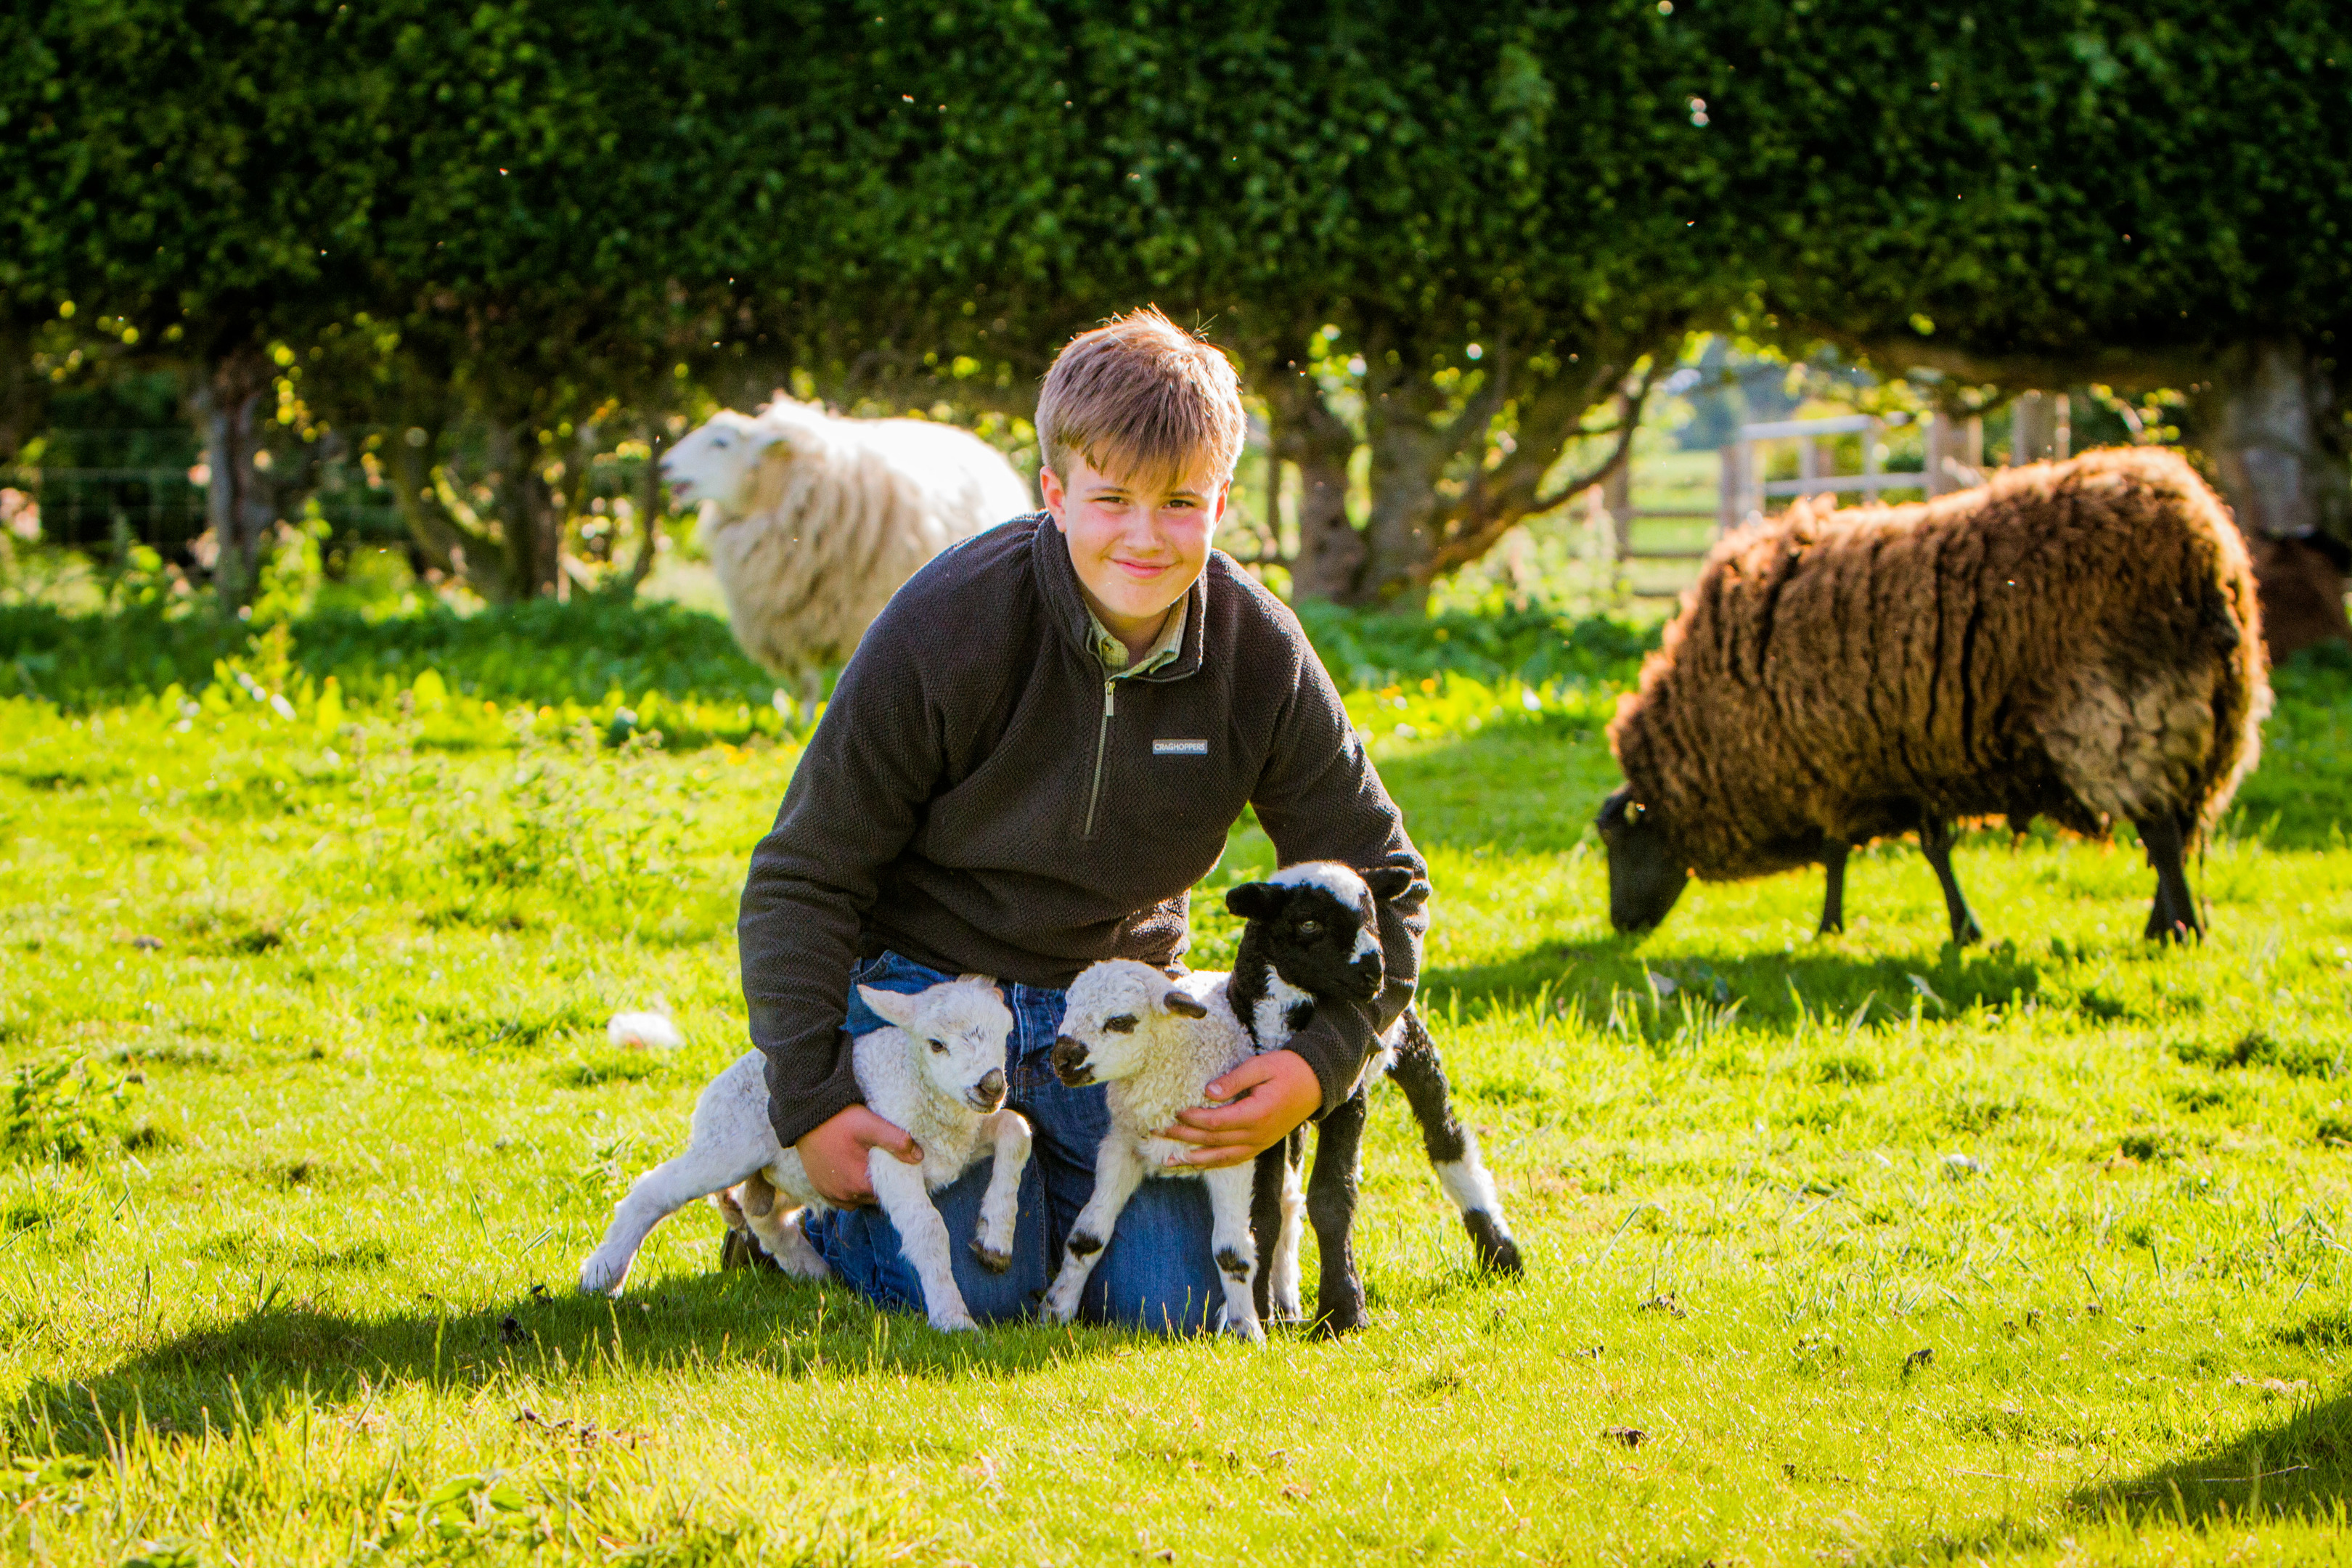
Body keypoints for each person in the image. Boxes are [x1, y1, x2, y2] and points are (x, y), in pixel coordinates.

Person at [735, 307, 1429, 1330]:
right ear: (1055, 493)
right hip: (932, 993)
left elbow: (1387, 875)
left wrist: (1316, 1065)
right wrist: (813, 1098)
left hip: (1119, 1006)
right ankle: (786, 1207)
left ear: (1222, 503)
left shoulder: (1259, 653)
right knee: (984, 1290)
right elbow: (805, 873)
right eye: (1111, 499)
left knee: (1180, 1305)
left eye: (1181, 503)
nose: (1145, 536)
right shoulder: (946, 623)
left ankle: (1058, 1190)